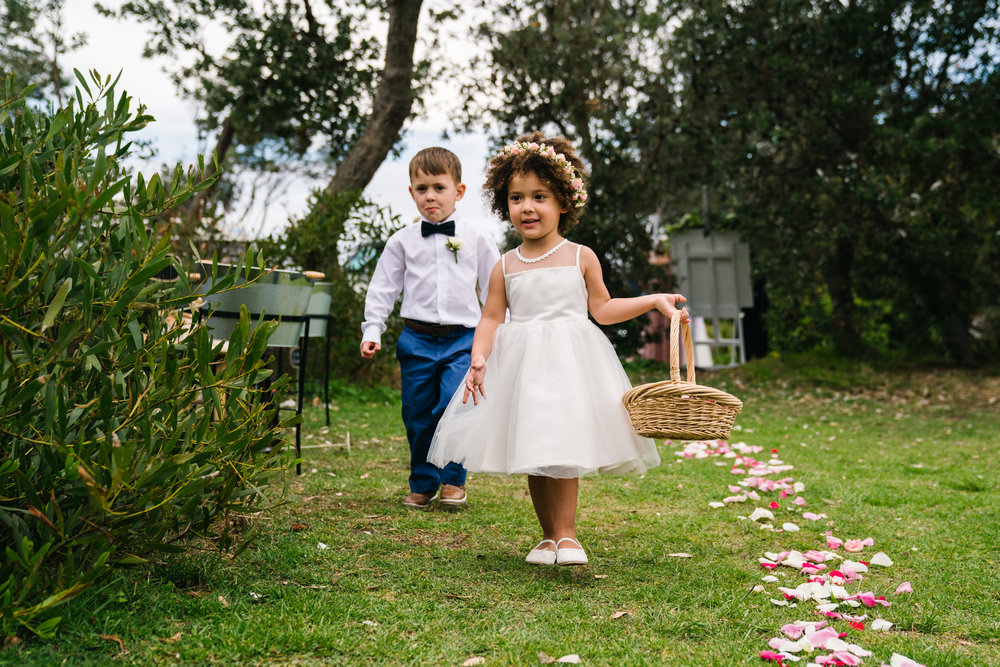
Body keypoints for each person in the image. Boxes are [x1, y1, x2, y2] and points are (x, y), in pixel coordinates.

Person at [427, 132, 688, 565]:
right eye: (516, 198)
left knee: (562, 446)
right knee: (534, 446)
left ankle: (567, 535)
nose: (527, 207)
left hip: (570, 364)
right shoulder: (505, 265)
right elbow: (491, 317)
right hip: (522, 366)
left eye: (540, 196)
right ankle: (547, 536)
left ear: (564, 201)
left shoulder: (580, 256)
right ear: (503, 204)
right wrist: (478, 356)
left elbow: (602, 309)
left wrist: (653, 301)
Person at [361, 147, 501, 509]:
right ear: (411, 193)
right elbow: (382, 289)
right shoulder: (401, 242)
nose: (430, 196)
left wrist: (499, 338)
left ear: (459, 191)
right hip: (416, 340)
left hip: (463, 341)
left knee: (452, 407)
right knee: (418, 414)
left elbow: (496, 291)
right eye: (422, 189)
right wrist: (372, 330)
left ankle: (453, 480)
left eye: (439, 187)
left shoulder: (477, 238)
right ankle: (423, 482)